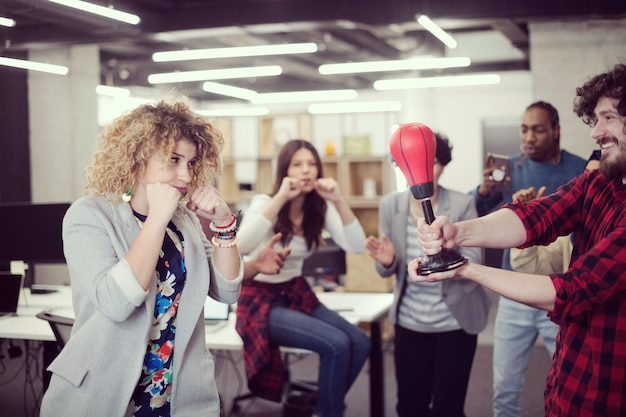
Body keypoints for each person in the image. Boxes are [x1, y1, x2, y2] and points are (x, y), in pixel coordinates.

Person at [412, 63, 626, 416]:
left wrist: (466, 269)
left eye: (608, 118)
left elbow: (573, 290)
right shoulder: (599, 183)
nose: (596, 133)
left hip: (605, 396)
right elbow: (537, 216)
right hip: (570, 384)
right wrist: (459, 232)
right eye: (596, 120)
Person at [40, 99, 244, 417]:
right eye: (174, 160)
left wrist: (223, 223)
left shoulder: (184, 222)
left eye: (191, 163)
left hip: (177, 391)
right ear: (138, 159)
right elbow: (117, 302)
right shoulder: (89, 215)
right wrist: (156, 218)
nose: (186, 175)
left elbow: (227, 291)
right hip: (103, 390)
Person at [235, 139, 371, 417]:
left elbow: (356, 246)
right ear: (284, 170)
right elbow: (242, 246)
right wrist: (281, 198)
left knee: (361, 341)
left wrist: (338, 199)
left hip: (296, 292)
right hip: (260, 299)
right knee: (337, 344)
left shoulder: (319, 207)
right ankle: (327, 411)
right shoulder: (266, 202)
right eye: (297, 164)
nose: (306, 171)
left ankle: (323, 407)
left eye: (311, 164)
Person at [470, 100, 587, 417]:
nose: (529, 136)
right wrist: (483, 191)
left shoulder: (579, 169)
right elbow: (474, 211)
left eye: (537, 129)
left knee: (571, 386)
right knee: (504, 389)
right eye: (524, 129)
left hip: (558, 292)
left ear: (556, 131)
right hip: (514, 293)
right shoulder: (510, 170)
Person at [366, 133, 490, 417]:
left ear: (443, 164)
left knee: (448, 408)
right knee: (410, 406)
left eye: (432, 161)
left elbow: (475, 262)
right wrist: (389, 261)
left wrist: (445, 258)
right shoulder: (390, 206)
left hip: (455, 324)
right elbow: (386, 269)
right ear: (401, 167)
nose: (424, 169)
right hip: (410, 324)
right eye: (412, 163)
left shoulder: (461, 205)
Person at [509, 150, 600, 275]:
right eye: (586, 177)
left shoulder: (618, 233)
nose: (589, 186)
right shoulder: (573, 234)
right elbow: (529, 265)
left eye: (598, 180)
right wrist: (528, 218)